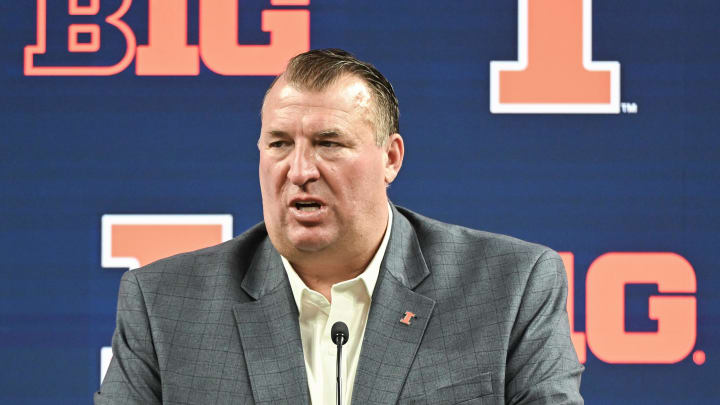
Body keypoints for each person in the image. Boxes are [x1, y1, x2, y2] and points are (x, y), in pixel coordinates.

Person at [95, 49, 584, 404]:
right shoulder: (162, 303)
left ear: (390, 158)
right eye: (280, 144)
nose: (300, 169)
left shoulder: (512, 285)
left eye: (329, 143)